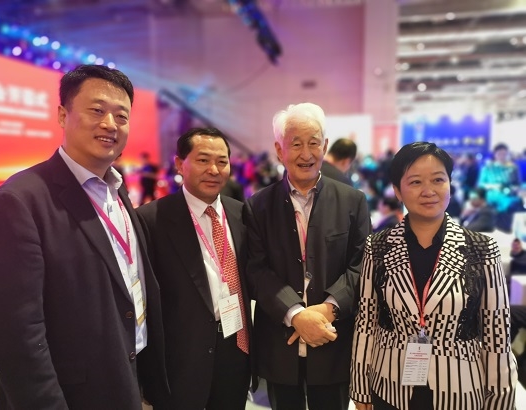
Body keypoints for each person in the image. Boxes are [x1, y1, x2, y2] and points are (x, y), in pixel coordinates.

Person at [0, 64, 168, 409]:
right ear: (63, 116)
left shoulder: (117, 191)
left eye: (121, 116)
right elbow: (17, 336)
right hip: (72, 396)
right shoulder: (18, 202)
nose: (110, 124)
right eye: (97, 110)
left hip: (126, 378)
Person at [350, 141, 517, 410]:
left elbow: (496, 332)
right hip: (390, 387)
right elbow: (366, 321)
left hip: (460, 389)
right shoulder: (378, 246)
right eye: (415, 182)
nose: (428, 191)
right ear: (397, 191)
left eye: (438, 180)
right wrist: (360, 388)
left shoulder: (482, 249)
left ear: (450, 184)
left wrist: (500, 401)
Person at [244, 102, 371, 410]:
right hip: (280, 343)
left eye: (313, 143)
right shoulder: (258, 206)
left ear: (324, 146)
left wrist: (327, 309)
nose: (306, 153)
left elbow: (361, 266)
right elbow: (256, 270)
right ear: (279, 150)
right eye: (296, 144)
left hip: (333, 340)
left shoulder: (352, 201)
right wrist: (297, 314)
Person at [137, 127, 255, 410]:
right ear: (180, 164)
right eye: (203, 160)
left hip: (235, 348)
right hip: (180, 357)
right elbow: (144, 302)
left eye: (222, 162)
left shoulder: (241, 213)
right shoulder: (151, 219)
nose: (214, 170)